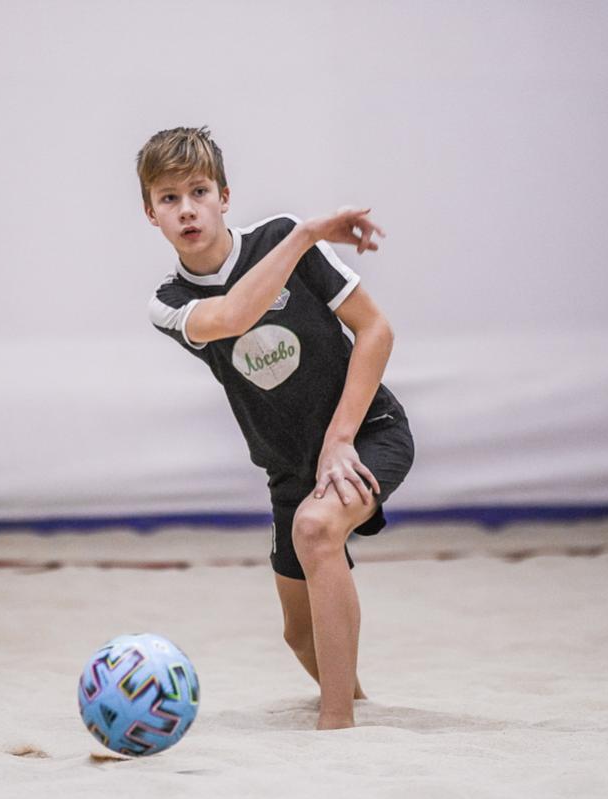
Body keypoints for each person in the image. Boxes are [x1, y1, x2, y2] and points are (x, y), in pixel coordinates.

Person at [139, 126, 414, 730]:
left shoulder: (279, 238)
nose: (187, 209)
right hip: (289, 469)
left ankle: (337, 726)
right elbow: (234, 315)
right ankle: (359, 703)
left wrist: (340, 440)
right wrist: (307, 233)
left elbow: (376, 330)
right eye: (168, 198)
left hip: (368, 432)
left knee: (316, 530)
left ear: (224, 197)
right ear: (151, 214)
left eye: (199, 191)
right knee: (298, 635)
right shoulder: (169, 302)